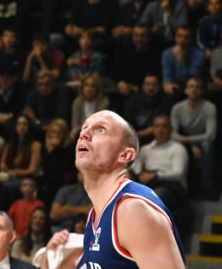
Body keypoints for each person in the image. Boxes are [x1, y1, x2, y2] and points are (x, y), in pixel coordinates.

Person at [40, 110, 184, 269]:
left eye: (101, 130)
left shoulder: (132, 209)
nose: (84, 134)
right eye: (84, 129)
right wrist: (49, 258)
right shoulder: (94, 215)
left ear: (125, 155)